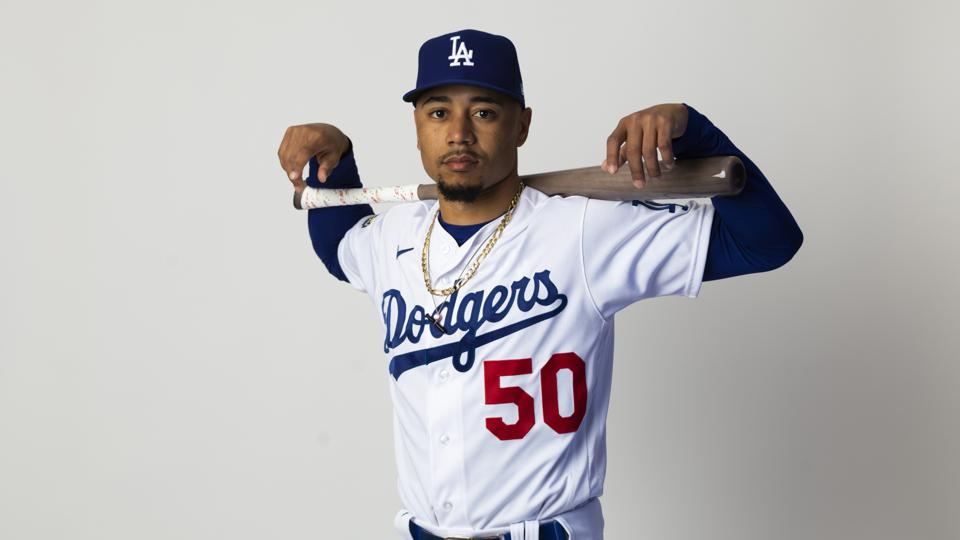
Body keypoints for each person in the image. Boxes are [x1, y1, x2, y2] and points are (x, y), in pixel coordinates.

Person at [276, 28, 802, 540]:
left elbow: (766, 242)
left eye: (484, 111)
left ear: (521, 125)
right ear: (417, 127)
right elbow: (340, 247)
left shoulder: (584, 229)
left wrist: (695, 130)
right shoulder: (395, 235)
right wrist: (334, 163)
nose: (458, 132)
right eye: (438, 112)